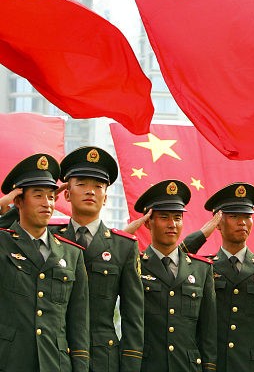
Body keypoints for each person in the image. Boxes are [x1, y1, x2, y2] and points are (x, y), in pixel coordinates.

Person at [180, 182, 254, 371]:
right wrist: (203, 234)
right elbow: (175, 259)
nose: (242, 222)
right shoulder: (203, 267)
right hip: (215, 365)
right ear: (218, 223)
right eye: (234, 216)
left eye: (248, 216)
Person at [53, 146, 144, 371]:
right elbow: (10, 235)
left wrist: (130, 365)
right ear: (66, 193)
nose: (90, 191)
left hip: (102, 358)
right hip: (55, 352)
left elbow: (133, 317)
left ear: (105, 198)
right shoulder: (49, 236)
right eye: (82, 184)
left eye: (98, 186)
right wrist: (46, 197)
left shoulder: (123, 247)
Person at [0, 153, 90, 371]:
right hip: (10, 362)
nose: (47, 204)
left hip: (56, 364)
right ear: (18, 200)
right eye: (38, 196)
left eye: (51, 197)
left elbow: (79, 324)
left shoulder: (71, 254)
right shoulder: (3, 243)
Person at [136, 179, 217, 372]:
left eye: (178, 218)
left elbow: (208, 334)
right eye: (164, 217)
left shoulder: (201, 269)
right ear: (148, 222)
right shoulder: (135, 265)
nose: (172, 224)